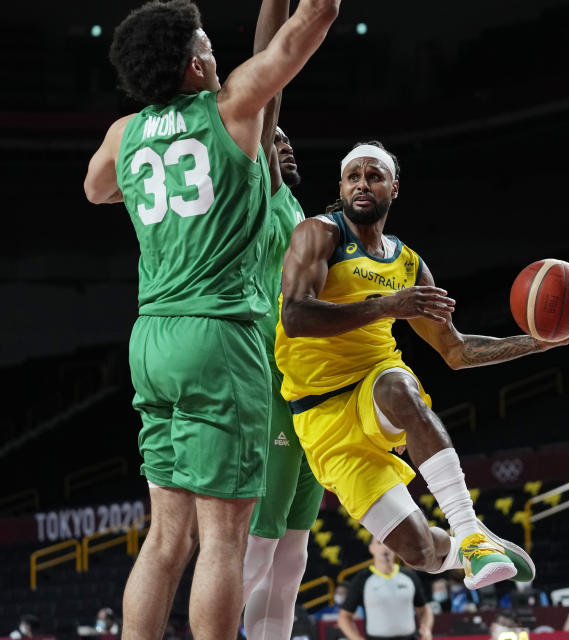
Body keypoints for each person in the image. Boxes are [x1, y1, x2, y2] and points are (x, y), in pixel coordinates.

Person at [82, 1, 340, 639]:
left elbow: (96, 188)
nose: (219, 56)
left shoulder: (124, 133)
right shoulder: (232, 109)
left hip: (151, 339)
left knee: (166, 539)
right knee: (223, 541)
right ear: (196, 63)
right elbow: (319, 14)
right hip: (217, 336)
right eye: (209, 47)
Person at [274, 140, 569, 589]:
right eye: (353, 176)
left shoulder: (409, 265)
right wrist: (388, 305)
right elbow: (296, 316)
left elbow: (456, 351)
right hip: (319, 416)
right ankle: (466, 548)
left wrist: (535, 344)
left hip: (373, 381)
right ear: (342, 186)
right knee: (419, 552)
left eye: (374, 175)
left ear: (394, 188)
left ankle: (471, 532)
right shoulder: (319, 234)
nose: (362, 183)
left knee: (398, 388)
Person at [240, 3, 325, 640]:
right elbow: (268, 83)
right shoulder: (256, 188)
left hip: (308, 389)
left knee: (294, 552)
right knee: (260, 544)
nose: (285, 142)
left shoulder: (296, 207)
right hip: (268, 381)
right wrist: (276, 5)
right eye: (276, 138)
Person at [338, 537, 434, 640]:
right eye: (379, 543)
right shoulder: (362, 579)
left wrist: (426, 629)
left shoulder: (409, 576)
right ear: (371, 548)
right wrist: (356, 638)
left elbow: (424, 609)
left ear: (395, 548)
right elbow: (344, 617)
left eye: (388, 544)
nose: (385, 548)